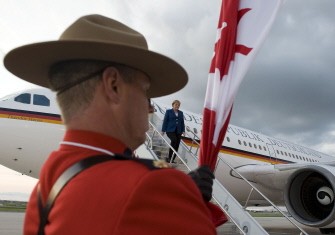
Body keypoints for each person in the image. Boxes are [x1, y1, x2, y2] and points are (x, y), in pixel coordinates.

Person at [4, 15, 216, 234]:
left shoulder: (44, 192)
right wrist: (183, 202)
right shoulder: (153, 187)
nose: (150, 108)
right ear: (113, 86)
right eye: (145, 91)